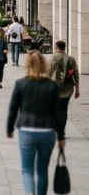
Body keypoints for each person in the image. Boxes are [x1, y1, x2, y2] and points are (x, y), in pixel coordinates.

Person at [8, 50, 66, 195]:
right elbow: (57, 113)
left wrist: (9, 128)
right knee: (42, 170)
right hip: (47, 131)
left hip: (27, 129)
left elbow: (13, 108)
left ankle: (29, 192)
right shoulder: (52, 85)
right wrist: (61, 135)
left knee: (27, 169)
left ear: (27, 65)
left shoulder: (21, 84)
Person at [48, 40, 80, 134]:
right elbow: (76, 75)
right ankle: (61, 130)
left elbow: (47, 74)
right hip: (67, 89)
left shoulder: (51, 58)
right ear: (64, 47)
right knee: (63, 110)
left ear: (56, 47)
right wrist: (77, 90)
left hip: (53, 88)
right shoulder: (71, 59)